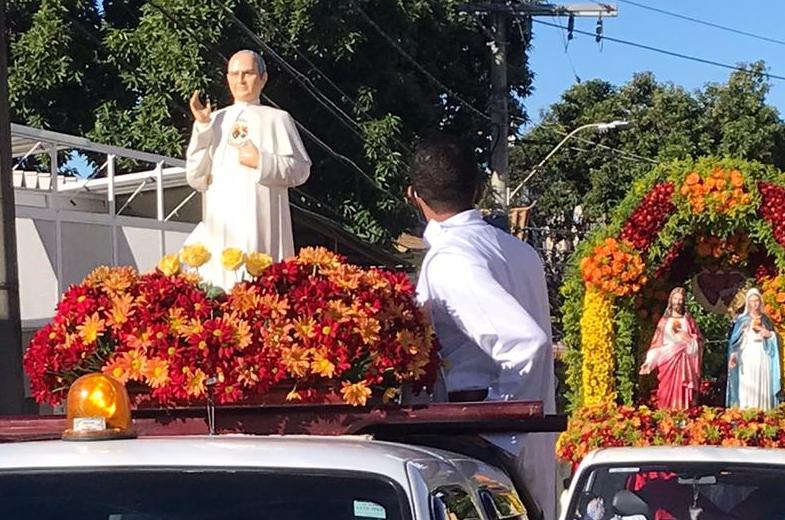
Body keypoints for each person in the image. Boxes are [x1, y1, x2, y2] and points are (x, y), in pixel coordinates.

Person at [409, 136, 556, 520]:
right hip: (511, 441)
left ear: (414, 197)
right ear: (477, 191)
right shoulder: (519, 250)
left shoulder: (451, 258)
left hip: (481, 447)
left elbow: (528, 344)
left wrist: (491, 439)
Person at [185, 50, 311, 288]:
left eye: (248, 73)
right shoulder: (214, 120)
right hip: (222, 226)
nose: (241, 80)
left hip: (262, 222)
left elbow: (301, 169)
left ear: (263, 78)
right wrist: (202, 128)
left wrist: (263, 161)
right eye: (234, 74)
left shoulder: (278, 119)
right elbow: (195, 176)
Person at [639, 287, 703, 409]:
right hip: (667, 360)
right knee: (666, 390)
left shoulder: (689, 321)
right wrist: (649, 362)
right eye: (675, 298)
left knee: (683, 390)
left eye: (680, 299)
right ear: (670, 300)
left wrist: (690, 340)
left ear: (684, 301)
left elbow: (699, 342)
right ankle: (666, 416)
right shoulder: (664, 322)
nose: (677, 302)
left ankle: (684, 415)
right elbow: (656, 345)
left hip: (685, 361)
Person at [726, 288, 781, 410]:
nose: (754, 304)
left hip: (763, 356)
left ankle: (764, 413)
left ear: (760, 302)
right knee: (748, 384)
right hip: (747, 356)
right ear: (747, 303)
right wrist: (733, 356)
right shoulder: (742, 320)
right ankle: (747, 414)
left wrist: (770, 335)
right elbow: (735, 342)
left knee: (762, 384)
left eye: (757, 301)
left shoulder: (766, 320)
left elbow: (774, 338)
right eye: (751, 301)